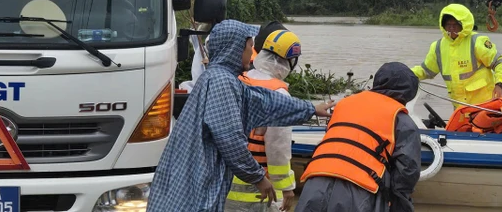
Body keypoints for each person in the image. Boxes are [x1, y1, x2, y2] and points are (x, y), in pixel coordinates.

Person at [147, 20, 335, 212]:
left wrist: (310, 109)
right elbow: (230, 139)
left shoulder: (220, 77)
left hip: (202, 178)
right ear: (234, 49)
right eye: (249, 46)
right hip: (200, 179)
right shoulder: (222, 82)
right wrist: (258, 178)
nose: (252, 52)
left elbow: (264, 101)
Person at [296, 62, 422, 212]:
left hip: (315, 182)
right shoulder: (401, 120)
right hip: (358, 191)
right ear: (408, 93)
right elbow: (407, 171)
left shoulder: (344, 104)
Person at [225, 29, 304, 211]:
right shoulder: (279, 95)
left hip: (226, 183)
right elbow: (277, 148)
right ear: (290, 61)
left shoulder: (238, 80)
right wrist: (287, 188)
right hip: (258, 190)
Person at [410, 3, 502, 108]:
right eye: (448, 25)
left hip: (485, 107)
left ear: (463, 25)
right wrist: (403, 74)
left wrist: (499, 84)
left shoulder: (477, 42)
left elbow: (499, 62)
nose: (452, 29)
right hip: (460, 111)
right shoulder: (437, 47)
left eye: (455, 25)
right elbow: (425, 71)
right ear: (443, 25)